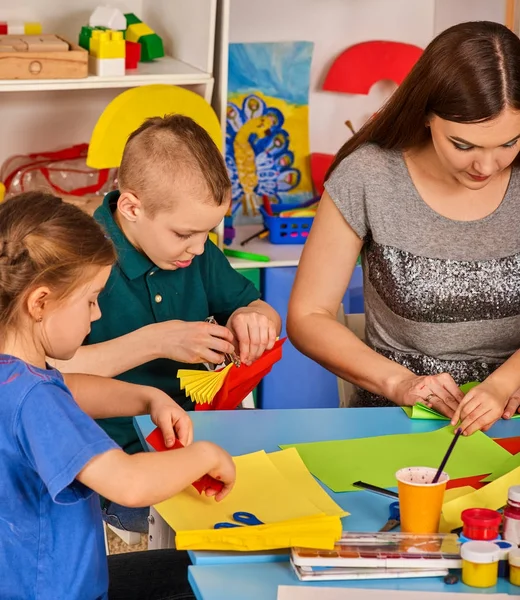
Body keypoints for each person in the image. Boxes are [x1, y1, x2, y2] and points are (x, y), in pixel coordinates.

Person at [287, 21, 520, 437]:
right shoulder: (369, 176)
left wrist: (505, 382)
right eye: (464, 145)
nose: (486, 167)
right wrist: (399, 383)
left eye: (509, 143)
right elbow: (308, 315)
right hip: (396, 418)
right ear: (427, 115)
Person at [0, 192, 235, 600]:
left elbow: (70, 386)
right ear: (40, 302)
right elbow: (128, 484)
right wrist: (207, 455)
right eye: (90, 300)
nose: (96, 315)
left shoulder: (17, 376)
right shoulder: (35, 399)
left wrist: (147, 398)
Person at [56, 114, 281, 531]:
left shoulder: (193, 249)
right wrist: (156, 341)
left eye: (207, 233)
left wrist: (255, 318)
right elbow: (43, 374)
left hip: (200, 440)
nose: (198, 249)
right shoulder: (79, 260)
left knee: (273, 508)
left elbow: (256, 306)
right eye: (184, 234)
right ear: (131, 207)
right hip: (118, 463)